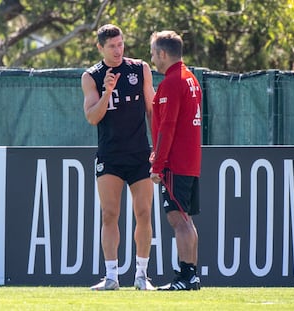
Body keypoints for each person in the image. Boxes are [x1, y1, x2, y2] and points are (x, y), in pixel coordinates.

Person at [81, 24, 156, 290]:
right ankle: (111, 276)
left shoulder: (140, 68)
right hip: (110, 155)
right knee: (109, 214)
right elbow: (92, 117)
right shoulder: (91, 76)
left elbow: (152, 109)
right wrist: (107, 91)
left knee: (144, 212)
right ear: (100, 47)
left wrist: (157, 147)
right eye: (112, 46)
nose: (118, 50)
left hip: (139, 154)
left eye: (121, 44)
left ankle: (141, 275)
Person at [149, 30, 202, 290]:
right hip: (190, 161)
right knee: (186, 219)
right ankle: (191, 275)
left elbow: (167, 127)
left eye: (153, 53)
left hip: (175, 163)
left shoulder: (171, 82)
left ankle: (185, 276)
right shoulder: (191, 78)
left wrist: (158, 164)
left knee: (177, 219)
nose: (152, 59)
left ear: (162, 53)